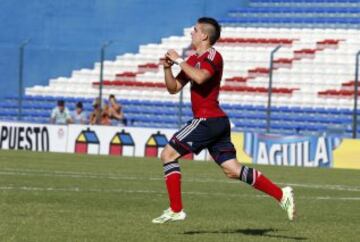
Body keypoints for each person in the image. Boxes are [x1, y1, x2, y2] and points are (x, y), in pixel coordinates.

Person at [152, 17, 295, 224]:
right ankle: (282, 195)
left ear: (204, 35)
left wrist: (178, 60)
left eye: (195, 29)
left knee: (168, 154)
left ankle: (176, 209)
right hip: (216, 122)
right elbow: (174, 88)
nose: (191, 33)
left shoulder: (213, 56)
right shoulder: (192, 60)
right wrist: (167, 68)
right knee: (232, 170)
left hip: (207, 120)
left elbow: (200, 78)